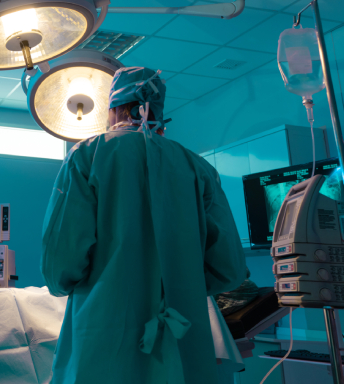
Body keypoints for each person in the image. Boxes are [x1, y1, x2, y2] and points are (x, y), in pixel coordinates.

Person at [40, 66, 245, 384]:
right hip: (183, 337)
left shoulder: (87, 156)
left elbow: (61, 263)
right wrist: (183, 284)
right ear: (160, 114)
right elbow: (228, 269)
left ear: (114, 109)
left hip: (104, 336)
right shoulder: (199, 169)